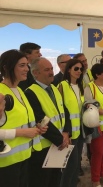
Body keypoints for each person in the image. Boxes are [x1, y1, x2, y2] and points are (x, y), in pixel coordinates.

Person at [0, 50, 45, 187]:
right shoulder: (1, 93)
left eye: (27, 65)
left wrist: (36, 128)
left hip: (24, 157)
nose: (27, 69)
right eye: (21, 65)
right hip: (6, 163)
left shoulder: (19, 91)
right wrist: (23, 133)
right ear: (6, 67)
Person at [24, 57, 70, 187]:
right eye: (46, 70)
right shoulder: (30, 93)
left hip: (58, 144)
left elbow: (64, 111)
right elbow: (41, 119)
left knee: (55, 180)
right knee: (42, 181)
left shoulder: (54, 88)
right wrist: (60, 139)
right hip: (43, 149)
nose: (51, 72)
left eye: (51, 69)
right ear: (35, 73)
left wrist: (66, 132)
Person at [58, 59, 85, 187]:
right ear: (68, 69)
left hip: (80, 132)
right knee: (70, 166)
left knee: (76, 165)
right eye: (76, 68)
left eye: (81, 69)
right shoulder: (62, 85)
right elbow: (60, 110)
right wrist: (65, 132)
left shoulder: (80, 86)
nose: (79, 71)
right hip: (69, 134)